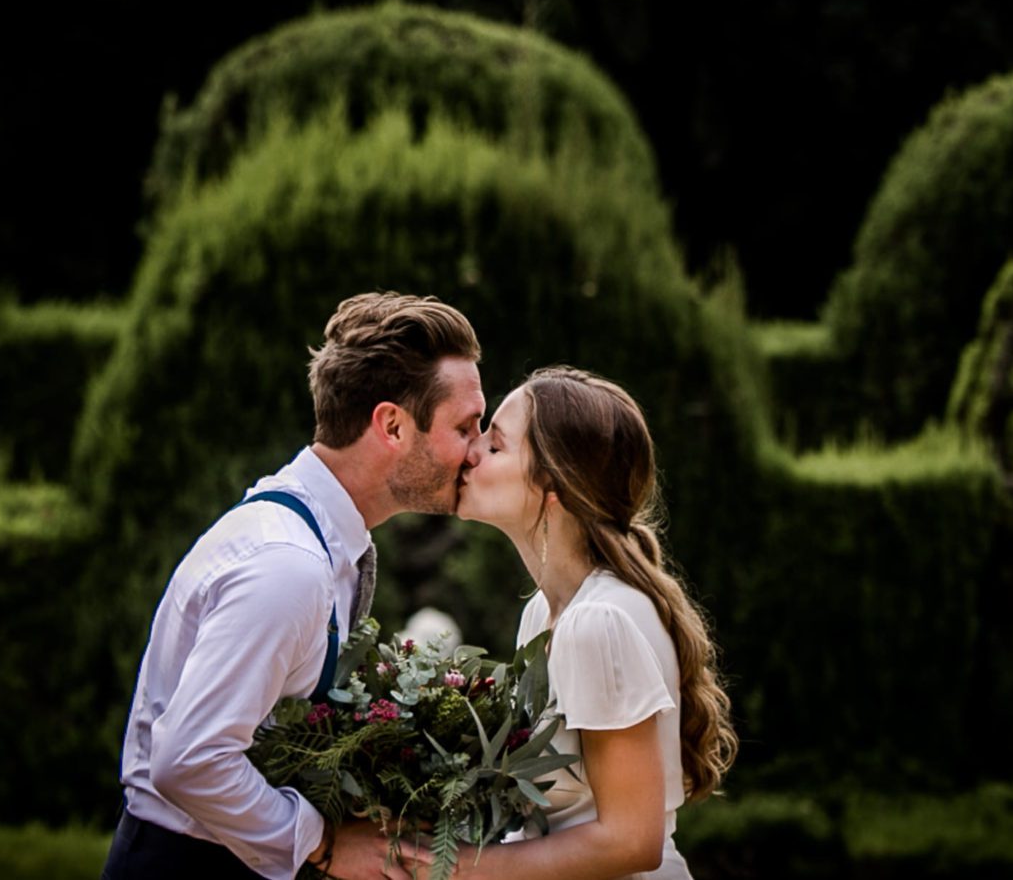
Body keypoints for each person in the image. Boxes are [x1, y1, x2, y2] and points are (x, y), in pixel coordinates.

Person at [104, 291, 490, 880]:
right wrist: (324, 844)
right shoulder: (287, 565)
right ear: (391, 425)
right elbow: (187, 760)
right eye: (466, 426)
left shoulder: (324, 542)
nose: (478, 450)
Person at [408, 365, 739, 879]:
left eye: (496, 447)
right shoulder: (543, 614)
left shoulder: (597, 623)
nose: (470, 452)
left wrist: (454, 870)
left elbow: (632, 841)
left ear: (552, 486)